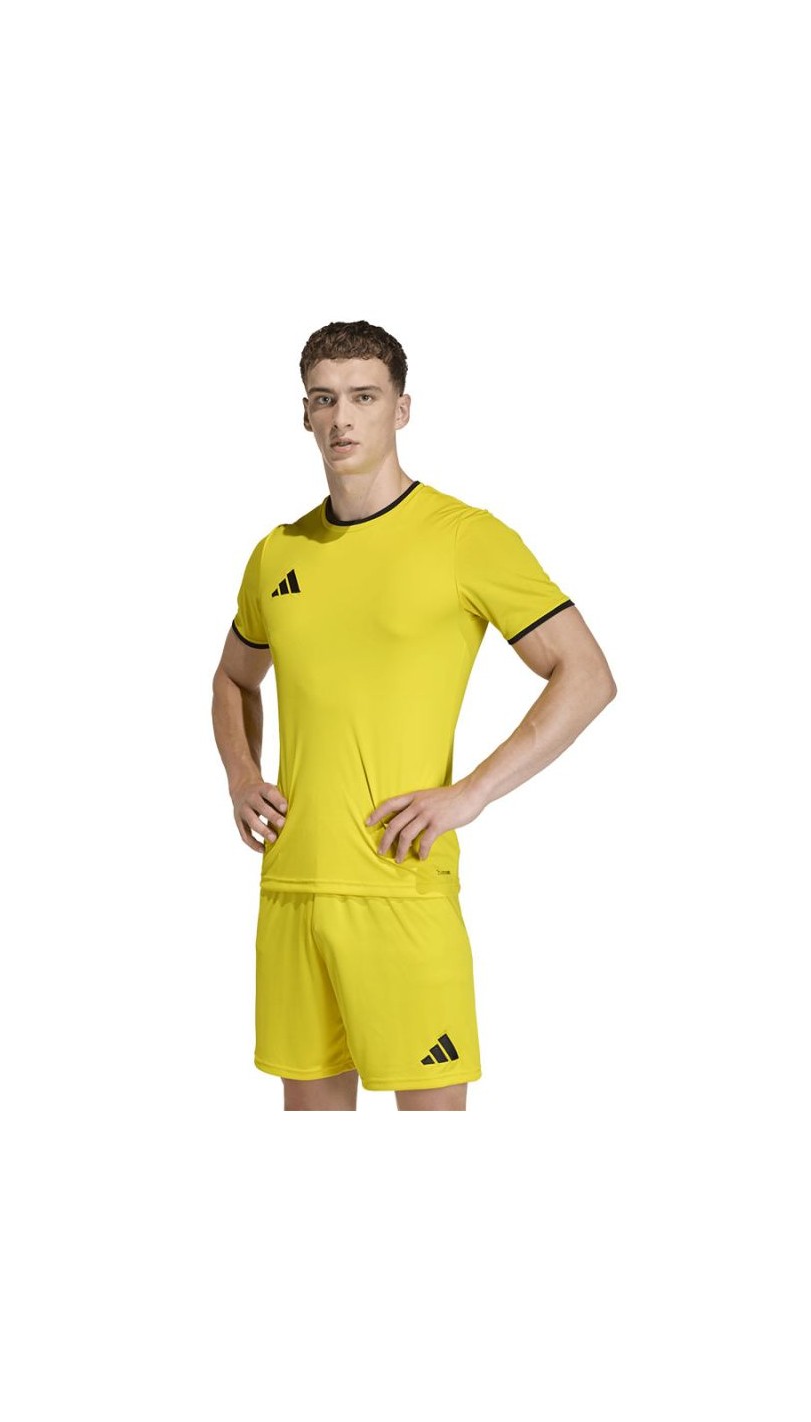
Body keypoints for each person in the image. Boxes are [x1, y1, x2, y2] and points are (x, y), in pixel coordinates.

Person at [211, 320, 616, 1112]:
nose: (342, 418)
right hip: (292, 886)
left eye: (364, 397)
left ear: (401, 409)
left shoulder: (464, 538)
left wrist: (472, 792)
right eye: (324, 400)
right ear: (304, 414)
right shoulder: (277, 553)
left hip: (400, 883)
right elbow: (233, 677)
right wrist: (240, 775)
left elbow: (587, 675)